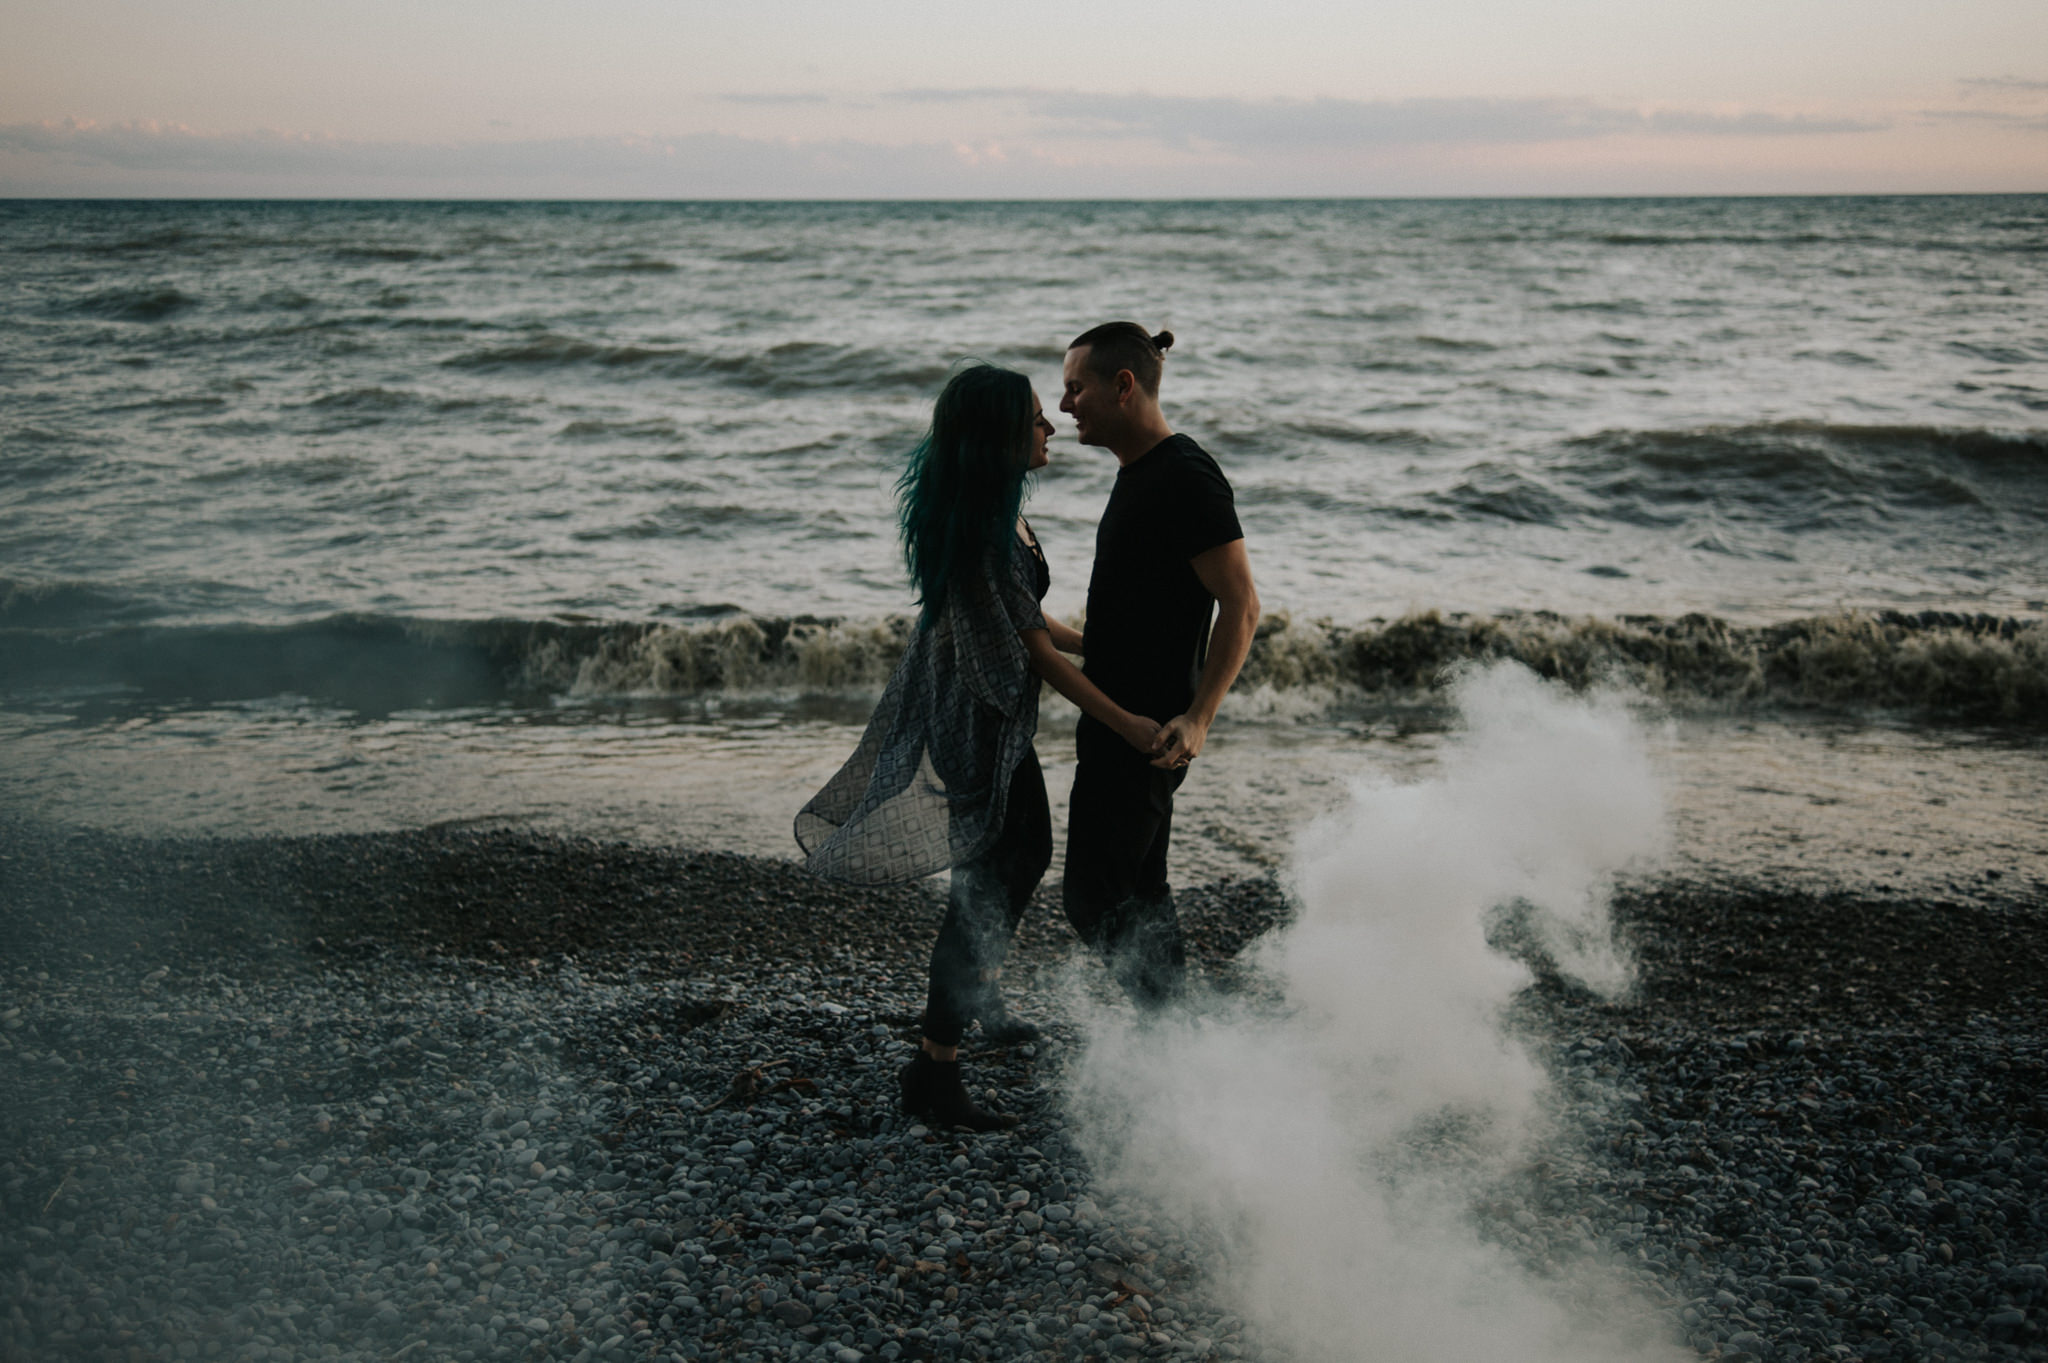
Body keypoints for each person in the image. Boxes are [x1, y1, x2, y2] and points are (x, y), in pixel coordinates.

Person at [796, 362, 1164, 1131]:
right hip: (972, 720)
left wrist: (1105, 645)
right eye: (1036, 416)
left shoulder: (998, 513)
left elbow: (1033, 623)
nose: (1051, 424)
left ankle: (983, 991)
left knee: (1017, 856)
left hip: (986, 713)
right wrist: (1124, 719)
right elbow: (1035, 655)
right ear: (1000, 436)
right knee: (987, 883)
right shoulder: (983, 532)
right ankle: (934, 1071)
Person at [1057, 323, 1259, 1008]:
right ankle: (1173, 1051)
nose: (1064, 407)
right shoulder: (1141, 472)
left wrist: (1200, 716)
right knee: (1141, 890)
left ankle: (1167, 1030)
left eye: (1075, 389)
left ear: (1123, 386)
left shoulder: (1185, 475)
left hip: (1146, 728)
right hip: (1119, 719)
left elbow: (1242, 605)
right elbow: (1141, 607)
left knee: (1093, 897)